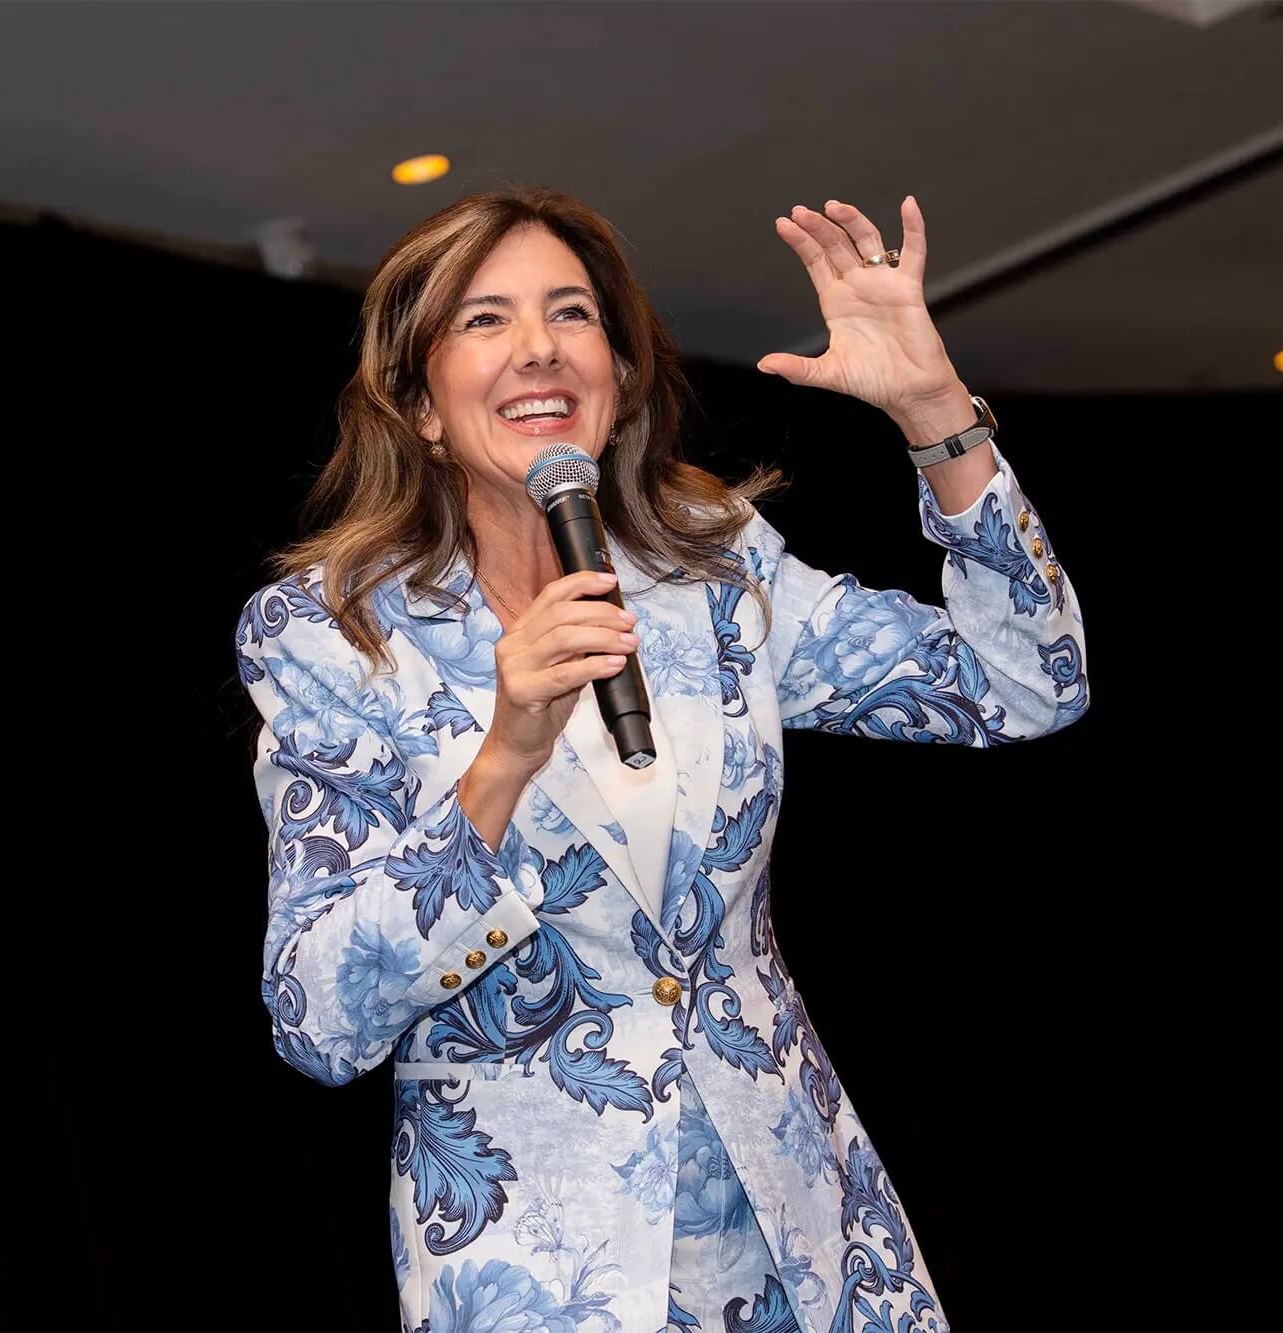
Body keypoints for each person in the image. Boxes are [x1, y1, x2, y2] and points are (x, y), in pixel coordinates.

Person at [235, 186, 1088, 1333]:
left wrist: (937, 415)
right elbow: (321, 1013)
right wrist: (503, 757)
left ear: (621, 373)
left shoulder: (715, 577)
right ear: (418, 405)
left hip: (807, 1247)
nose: (539, 346)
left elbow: (1026, 686)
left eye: (571, 312)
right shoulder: (332, 638)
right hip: (550, 1270)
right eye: (483, 320)